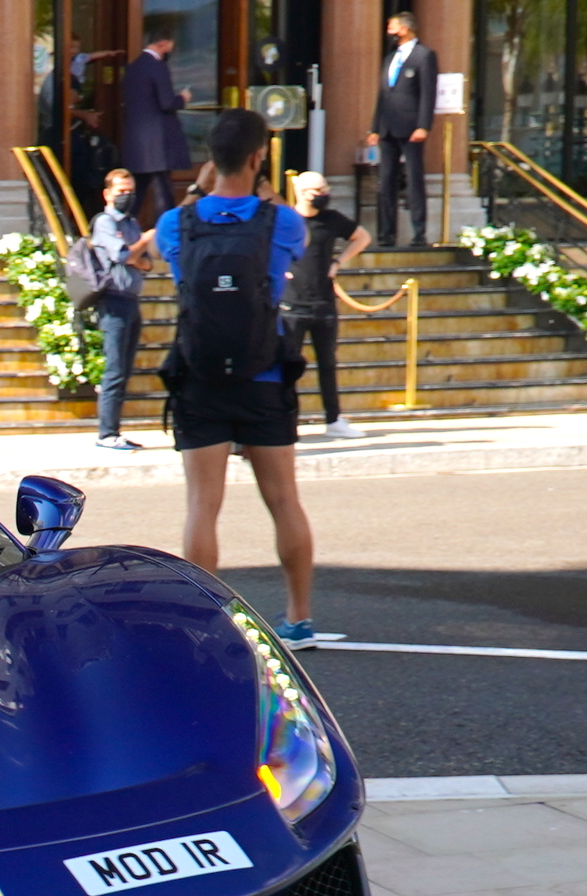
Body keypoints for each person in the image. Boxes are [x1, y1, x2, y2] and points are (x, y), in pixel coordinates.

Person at [156, 109, 330, 647]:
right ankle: (298, 617)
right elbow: (282, 239)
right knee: (283, 500)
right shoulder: (283, 222)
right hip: (264, 373)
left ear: (210, 159)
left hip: (200, 375)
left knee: (202, 505)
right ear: (258, 158)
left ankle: (207, 619)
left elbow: (169, 250)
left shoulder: (174, 224)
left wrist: (197, 193)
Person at [283, 171, 372, 439]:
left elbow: (362, 237)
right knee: (288, 365)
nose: (323, 195)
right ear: (301, 191)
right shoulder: (287, 220)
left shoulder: (332, 220)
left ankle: (333, 418)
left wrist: (338, 261)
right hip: (291, 304)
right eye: (317, 191)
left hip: (323, 302)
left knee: (328, 363)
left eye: (325, 189)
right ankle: (287, 420)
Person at [88, 168, 152, 451]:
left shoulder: (130, 223)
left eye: (130, 191)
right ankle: (106, 433)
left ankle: (115, 430)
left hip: (131, 299)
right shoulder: (104, 222)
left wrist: (135, 253)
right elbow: (122, 255)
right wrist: (145, 240)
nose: (126, 196)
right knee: (113, 369)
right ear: (107, 194)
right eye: (121, 192)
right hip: (112, 301)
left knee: (125, 369)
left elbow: (146, 263)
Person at [366, 11, 438, 249]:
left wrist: (423, 125)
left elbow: (428, 93)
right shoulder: (390, 58)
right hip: (387, 127)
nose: (389, 32)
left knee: (414, 178)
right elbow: (382, 95)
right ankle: (387, 232)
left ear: (405, 29)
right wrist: (375, 127)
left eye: (392, 27)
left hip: (411, 127)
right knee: (386, 180)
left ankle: (419, 232)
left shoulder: (424, 56)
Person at [119, 28, 191, 227]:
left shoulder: (132, 68)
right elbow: (167, 102)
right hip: (158, 141)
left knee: (138, 190)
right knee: (163, 193)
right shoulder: (157, 67)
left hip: (138, 141)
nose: (170, 50)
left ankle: (124, 227)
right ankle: (166, 233)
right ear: (162, 44)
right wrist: (182, 98)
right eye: (169, 46)